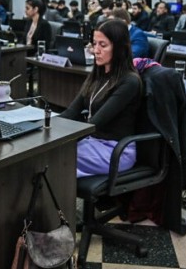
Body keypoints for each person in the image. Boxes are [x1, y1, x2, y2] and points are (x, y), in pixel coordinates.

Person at [59, 19, 142, 177]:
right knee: (49, 155)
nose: (95, 50)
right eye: (94, 44)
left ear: (119, 47)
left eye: (102, 45)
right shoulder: (98, 74)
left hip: (116, 151)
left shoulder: (129, 81)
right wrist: (43, 127)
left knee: (54, 154)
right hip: (92, 142)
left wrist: (54, 140)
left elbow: (95, 123)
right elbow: (71, 112)